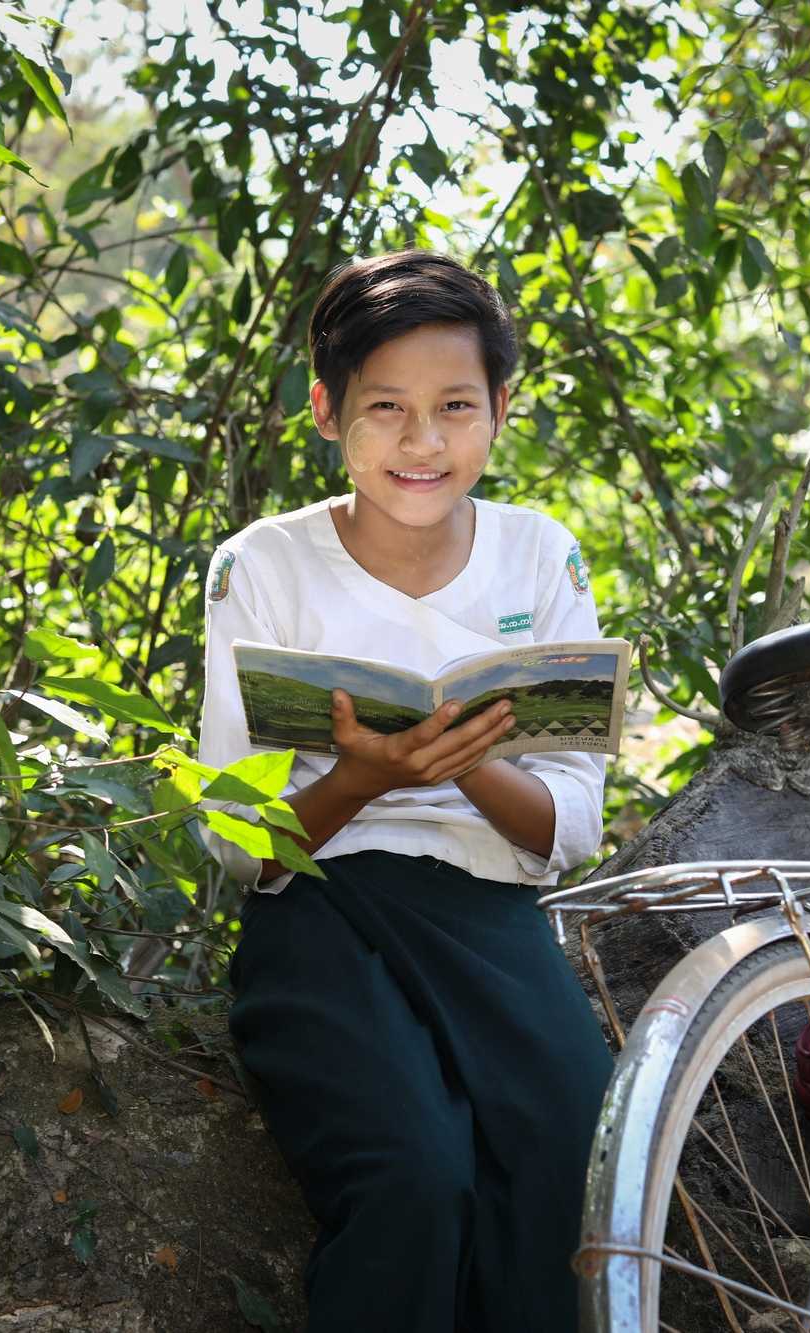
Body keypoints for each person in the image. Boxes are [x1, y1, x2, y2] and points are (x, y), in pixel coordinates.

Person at [197, 250, 615, 1332]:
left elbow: (569, 823)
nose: (421, 442)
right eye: (385, 408)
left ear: (500, 409)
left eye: (453, 407)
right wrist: (357, 776)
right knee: (414, 1179)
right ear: (327, 412)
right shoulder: (264, 567)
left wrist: (464, 759)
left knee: (573, 1156)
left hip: (485, 909)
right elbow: (239, 839)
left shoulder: (539, 557)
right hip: (320, 908)